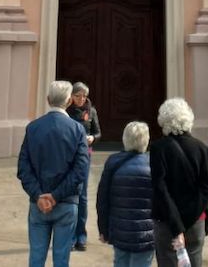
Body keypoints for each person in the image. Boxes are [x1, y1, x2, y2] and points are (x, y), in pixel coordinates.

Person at [18, 80, 90, 267]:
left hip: (39, 203)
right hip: (66, 202)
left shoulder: (33, 127)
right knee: (61, 259)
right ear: (69, 101)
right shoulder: (77, 129)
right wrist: (56, 195)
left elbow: (23, 168)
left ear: (48, 100)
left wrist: (38, 195)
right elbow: (80, 170)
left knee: (36, 257)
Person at [149, 97, 208, 267]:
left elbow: (160, 188)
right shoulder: (201, 148)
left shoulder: (158, 148)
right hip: (195, 220)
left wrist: (177, 225)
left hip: (166, 221)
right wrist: (188, 219)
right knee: (194, 260)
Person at [96, 120, 154, 267]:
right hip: (145, 233)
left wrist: (103, 228)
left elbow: (102, 199)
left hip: (120, 231)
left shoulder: (113, 162)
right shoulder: (153, 164)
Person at [67, 82, 102, 250]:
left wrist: (92, 138)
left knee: (82, 196)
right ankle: (69, 236)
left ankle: (81, 236)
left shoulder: (91, 111)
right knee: (68, 195)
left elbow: (98, 133)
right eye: (77, 96)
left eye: (84, 96)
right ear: (71, 97)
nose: (81, 99)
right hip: (68, 156)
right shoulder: (66, 112)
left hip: (84, 157)